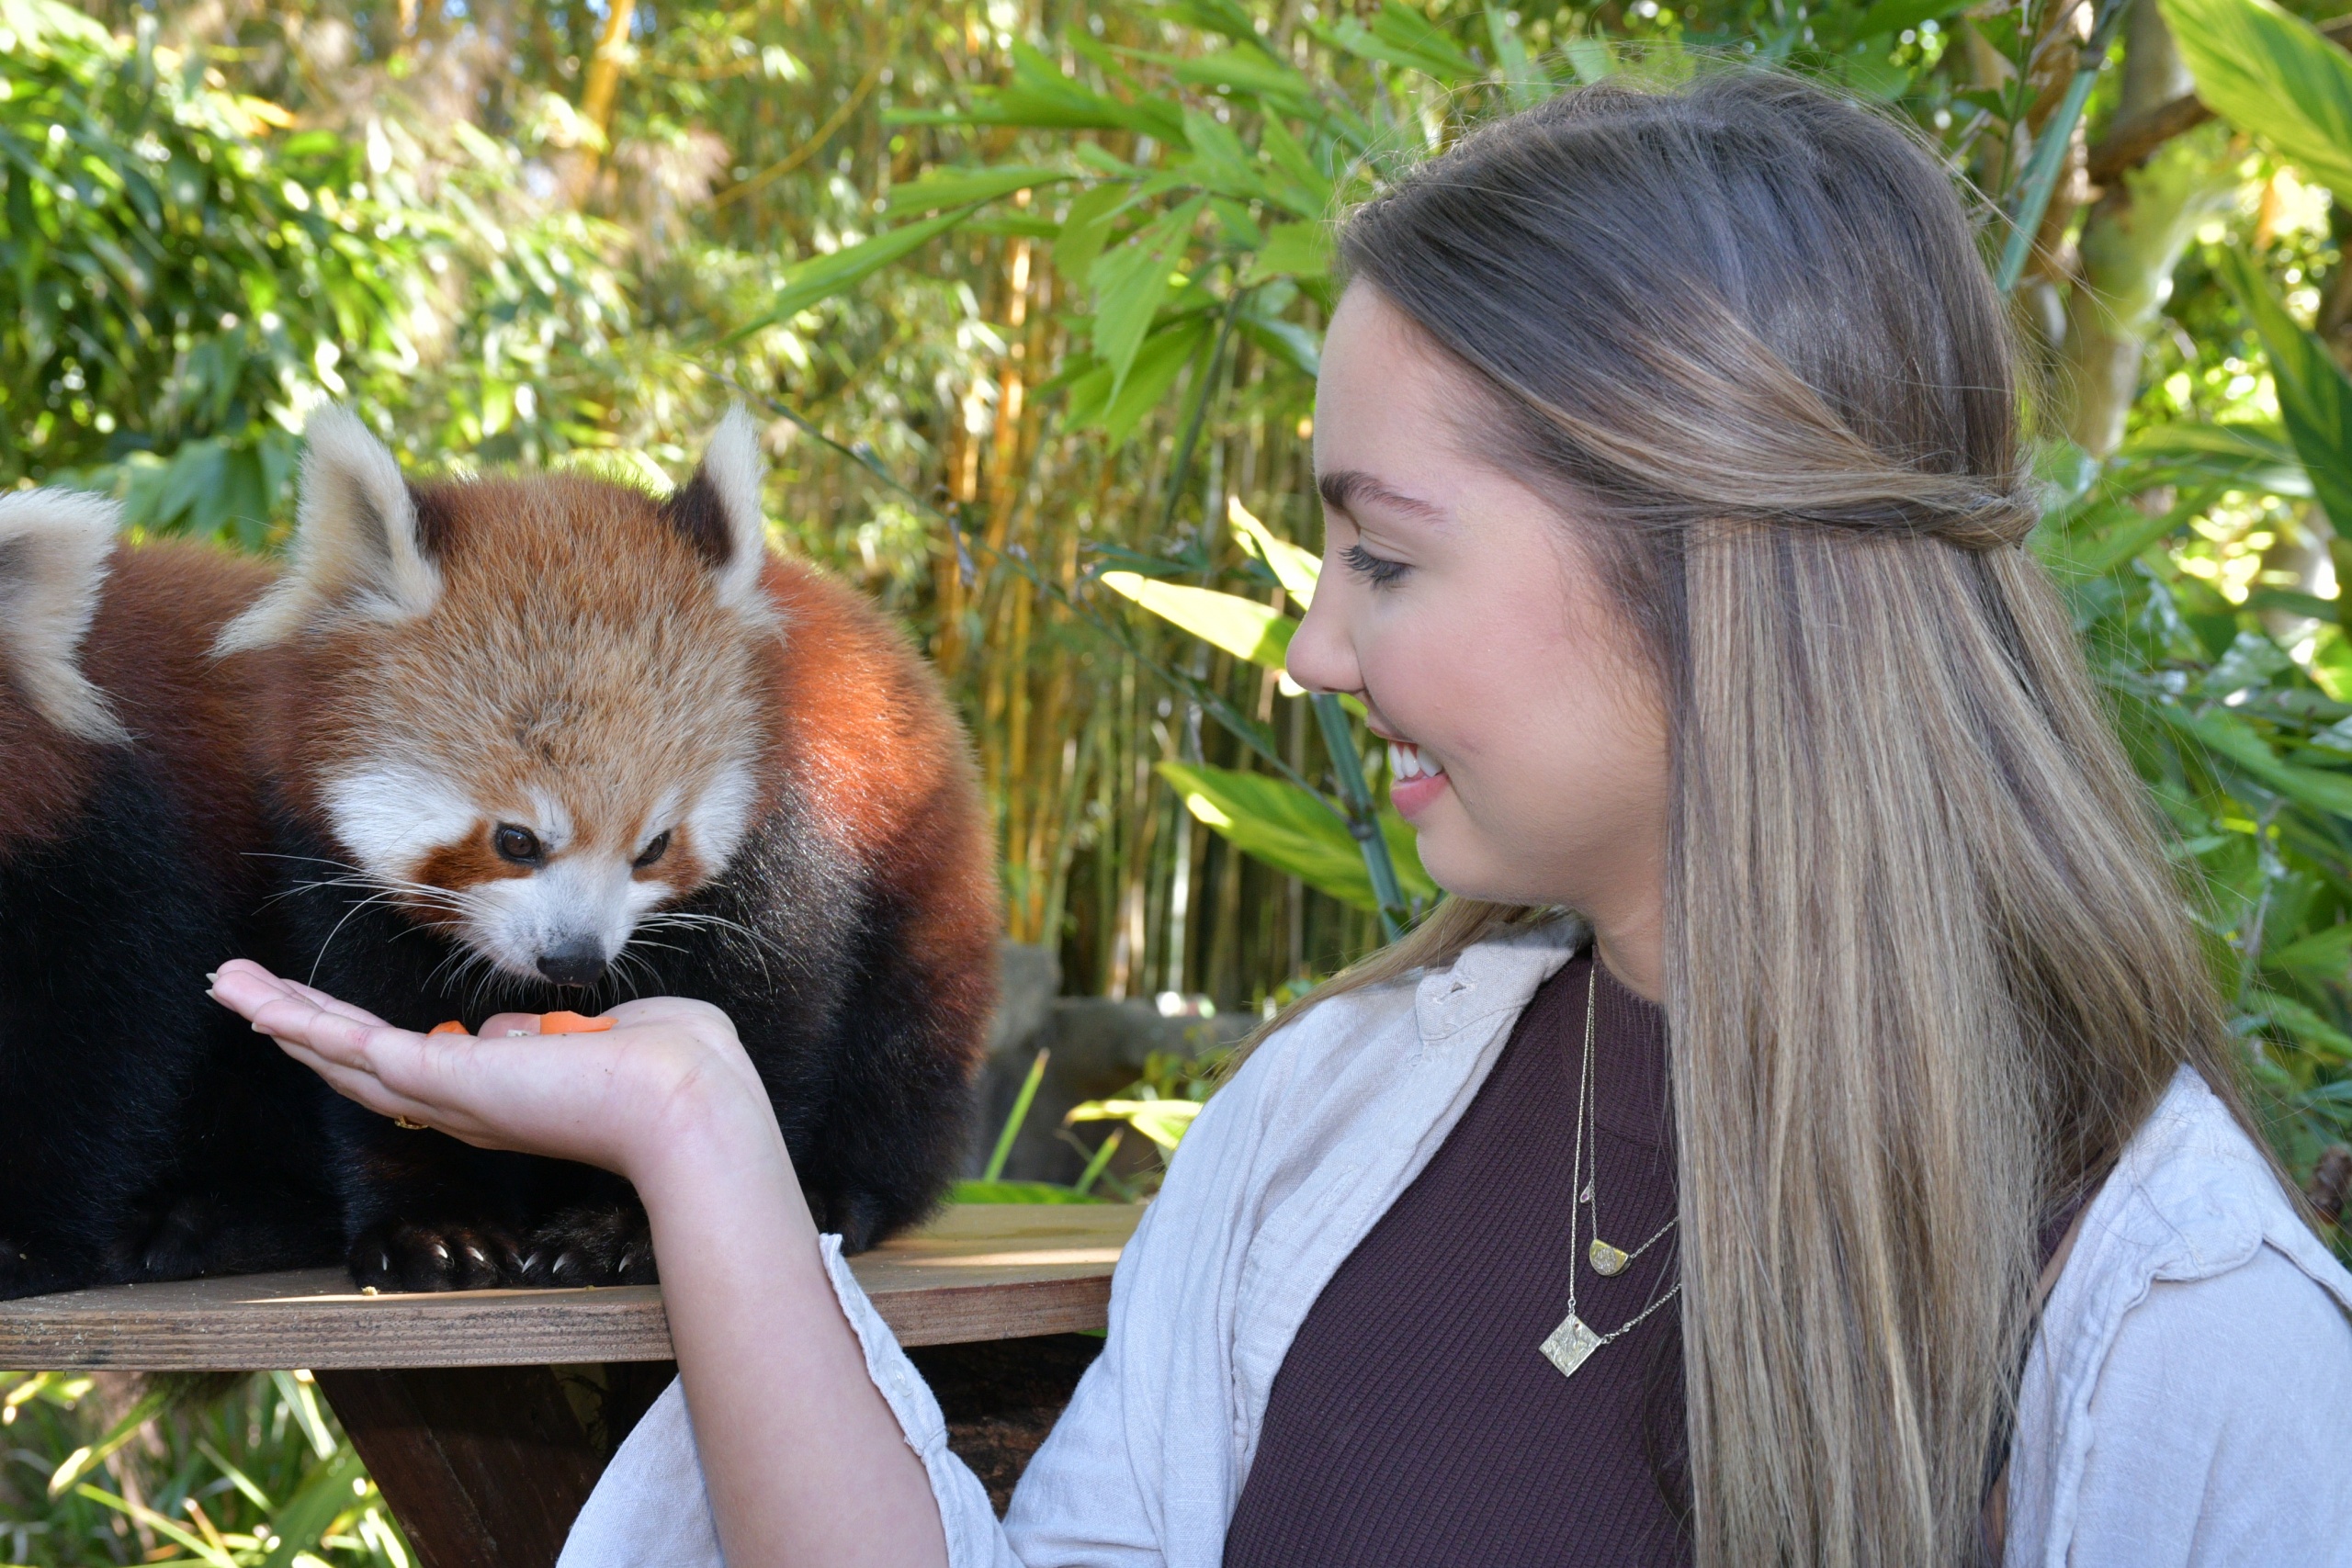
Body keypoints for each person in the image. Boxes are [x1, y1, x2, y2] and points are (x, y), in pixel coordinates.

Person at [209, 71, 2352, 1568]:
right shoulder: (1335, 1113)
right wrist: (698, 1129)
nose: (1311, 646)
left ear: (1725, 568)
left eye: (1385, 556)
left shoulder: (2171, 1322)